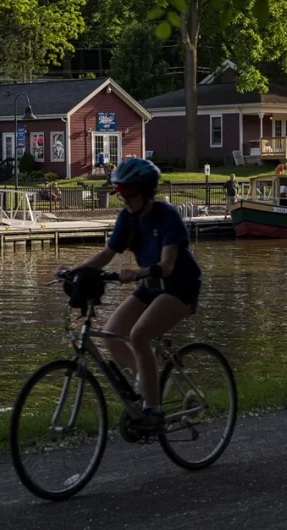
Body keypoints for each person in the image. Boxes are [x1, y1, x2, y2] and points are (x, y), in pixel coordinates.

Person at [58, 158, 202, 431]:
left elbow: (167, 265)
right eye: (120, 195)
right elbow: (106, 254)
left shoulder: (166, 215)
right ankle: (149, 386)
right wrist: (73, 271)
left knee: (139, 335)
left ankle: (153, 410)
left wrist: (137, 272)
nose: (124, 200)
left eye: (129, 194)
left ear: (146, 192)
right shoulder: (128, 217)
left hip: (179, 286)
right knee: (112, 334)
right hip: (150, 288)